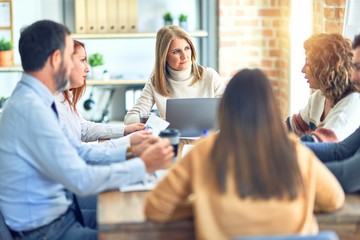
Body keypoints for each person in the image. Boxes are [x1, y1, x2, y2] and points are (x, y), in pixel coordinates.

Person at [0, 20, 173, 240]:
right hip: (47, 232)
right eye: (70, 57)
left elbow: (80, 151)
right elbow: (81, 179)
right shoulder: (31, 110)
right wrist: (144, 165)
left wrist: (131, 151)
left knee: (143, 220)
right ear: (55, 59)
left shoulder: (37, 100)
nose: (78, 67)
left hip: (61, 218)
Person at [144, 69, 344, 239]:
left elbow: (156, 207)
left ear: (225, 108)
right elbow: (334, 199)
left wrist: (203, 204)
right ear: (272, 109)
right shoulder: (294, 151)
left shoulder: (205, 151)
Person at [56, 40, 153, 155]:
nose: (87, 69)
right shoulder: (53, 104)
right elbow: (78, 153)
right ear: (64, 62)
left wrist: (125, 130)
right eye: (82, 60)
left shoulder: (65, 97)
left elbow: (83, 129)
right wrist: (126, 143)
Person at [124, 25, 225, 124]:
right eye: (176, 51)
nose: (184, 56)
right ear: (164, 56)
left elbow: (231, 110)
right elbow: (130, 118)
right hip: (173, 139)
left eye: (187, 48)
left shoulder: (210, 76)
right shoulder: (156, 83)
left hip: (207, 139)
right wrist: (157, 122)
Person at [305, 33, 360, 193]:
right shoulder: (318, 98)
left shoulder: (353, 102)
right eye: (354, 67)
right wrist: (289, 149)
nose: (353, 77)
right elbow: (339, 151)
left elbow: (346, 175)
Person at [286, 33, 360, 142]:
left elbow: (319, 145)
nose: (302, 69)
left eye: (308, 63)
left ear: (324, 67)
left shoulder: (352, 103)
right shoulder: (319, 97)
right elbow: (291, 127)